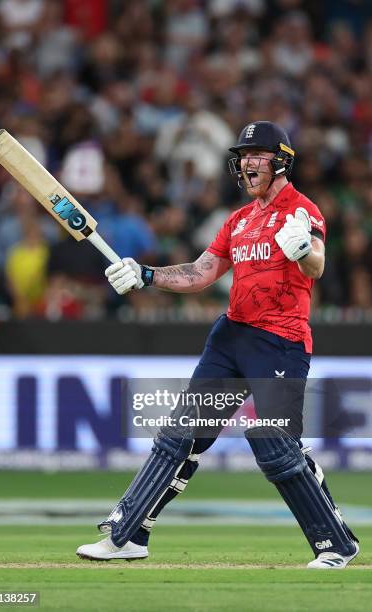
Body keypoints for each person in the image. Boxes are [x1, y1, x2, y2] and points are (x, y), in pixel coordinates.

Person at [76, 121, 359, 569]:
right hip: (230, 337)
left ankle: (335, 544)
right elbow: (203, 272)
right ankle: (126, 536)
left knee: (275, 445)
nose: (247, 162)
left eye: (257, 154)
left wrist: (303, 248)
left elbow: (317, 267)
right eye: (243, 155)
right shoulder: (240, 219)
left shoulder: (302, 211)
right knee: (180, 434)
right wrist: (146, 276)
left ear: (281, 160)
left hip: (280, 342)